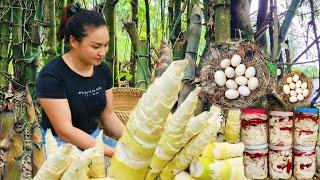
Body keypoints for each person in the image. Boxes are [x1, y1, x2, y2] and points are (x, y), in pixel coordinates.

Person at [35, 3, 124, 157]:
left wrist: (133, 141)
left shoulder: (102, 70)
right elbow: (65, 131)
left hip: (94, 137)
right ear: (74, 42)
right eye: (96, 47)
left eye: (106, 45)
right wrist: (110, 152)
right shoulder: (51, 76)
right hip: (60, 144)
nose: (103, 52)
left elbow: (109, 117)